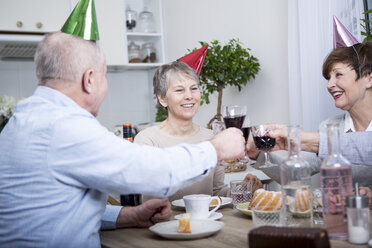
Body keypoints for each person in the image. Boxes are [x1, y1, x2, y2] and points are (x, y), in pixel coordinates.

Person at [0, 31, 245, 247]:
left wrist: (128, 216)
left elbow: (59, 209)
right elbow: (154, 172)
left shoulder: (25, 119)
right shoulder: (64, 125)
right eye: (105, 76)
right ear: (89, 79)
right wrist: (215, 148)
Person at [247, 41, 372, 202]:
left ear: (368, 79)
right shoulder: (329, 127)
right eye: (328, 78)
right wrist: (259, 155)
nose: (329, 85)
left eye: (338, 75)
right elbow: (297, 174)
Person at [134, 61, 262, 202]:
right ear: (162, 98)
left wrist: (243, 192)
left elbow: (217, 191)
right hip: (164, 222)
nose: (189, 96)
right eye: (179, 90)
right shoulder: (147, 140)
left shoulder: (211, 136)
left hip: (207, 222)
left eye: (194, 88)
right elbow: (152, 192)